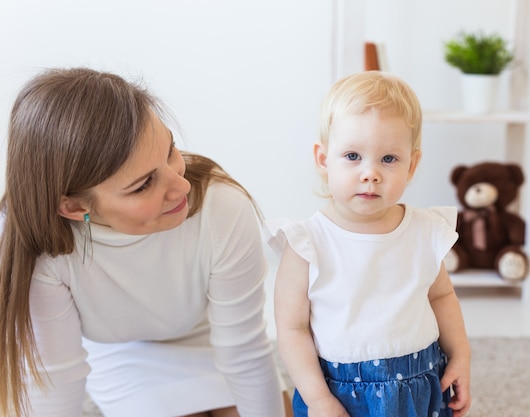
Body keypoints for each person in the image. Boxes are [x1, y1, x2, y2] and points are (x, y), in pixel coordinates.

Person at [0, 67, 292, 417]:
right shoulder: (37, 245)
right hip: (121, 354)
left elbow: (245, 351)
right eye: (143, 185)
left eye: (170, 150)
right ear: (75, 207)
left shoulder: (222, 207)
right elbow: (55, 383)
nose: (180, 185)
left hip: (212, 338)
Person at [267, 71, 472, 417]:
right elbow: (291, 328)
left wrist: (461, 355)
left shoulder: (423, 231)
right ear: (322, 159)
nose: (370, 173)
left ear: (412, 165)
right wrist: (318, 400)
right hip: (339, 393)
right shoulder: (307, 243)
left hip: (419, 384)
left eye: (388, 159)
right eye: (352, 156)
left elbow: (441, 296)